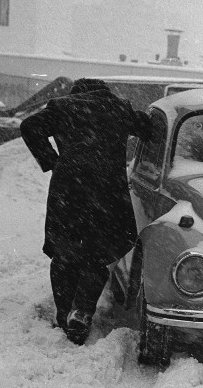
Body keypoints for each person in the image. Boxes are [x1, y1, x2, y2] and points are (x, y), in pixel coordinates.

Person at [20, 78, 149, 344]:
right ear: (104, 92)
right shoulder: (118, 108)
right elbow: (149, 128)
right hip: (107, 190)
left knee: (65, 253)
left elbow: (29, 125)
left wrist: (52, 161)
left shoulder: (62, 108)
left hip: (69, 190)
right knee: (96, 255)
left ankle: (64, 312)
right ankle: (82, 312)